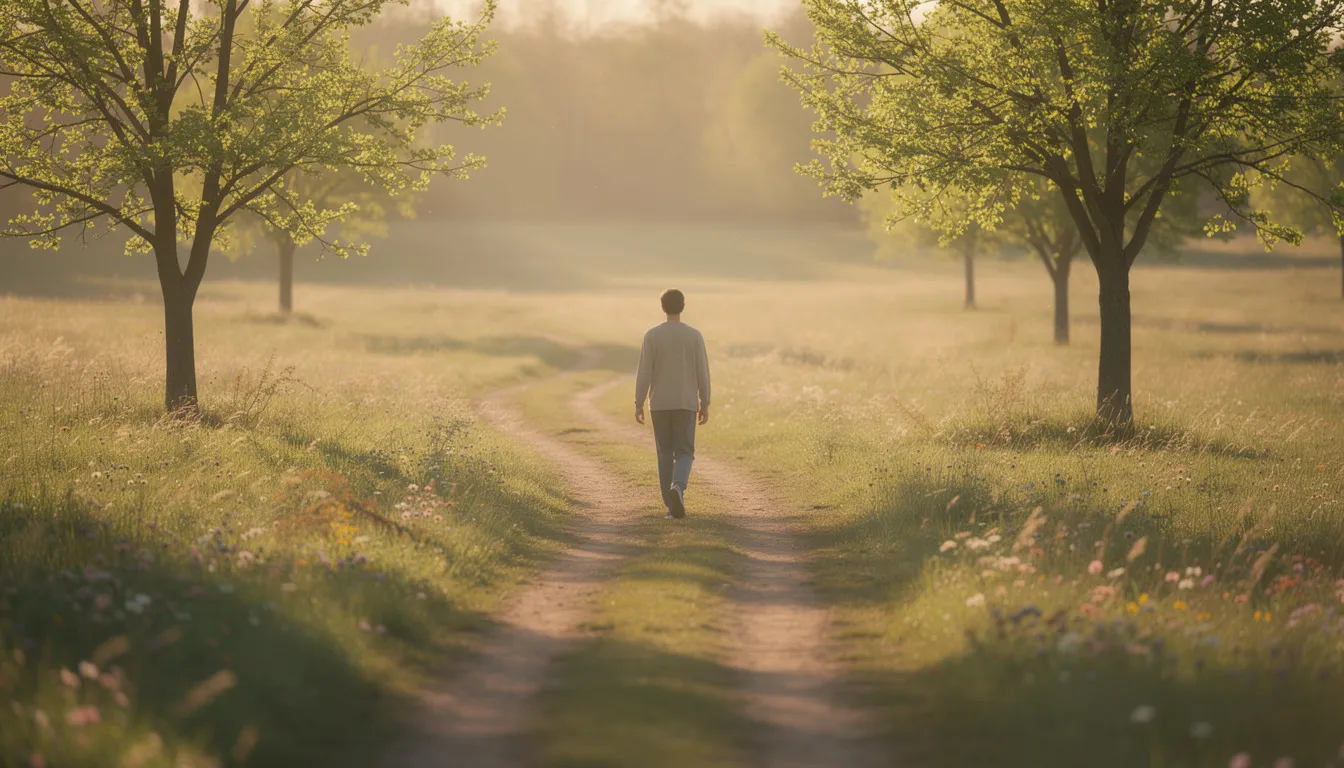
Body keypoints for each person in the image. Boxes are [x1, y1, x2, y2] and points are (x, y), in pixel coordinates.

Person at [634, 289, 711, 519]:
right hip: (686, 402)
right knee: (685, 451)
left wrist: (638, 402)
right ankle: (678, 486)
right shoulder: (694, 336)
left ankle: (670, 506)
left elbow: (644, 372)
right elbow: (702, 373)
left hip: (659, 403)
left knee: (665, 453)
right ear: (683, 306)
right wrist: (705, 402)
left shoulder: (651, 336)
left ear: (663, 307)